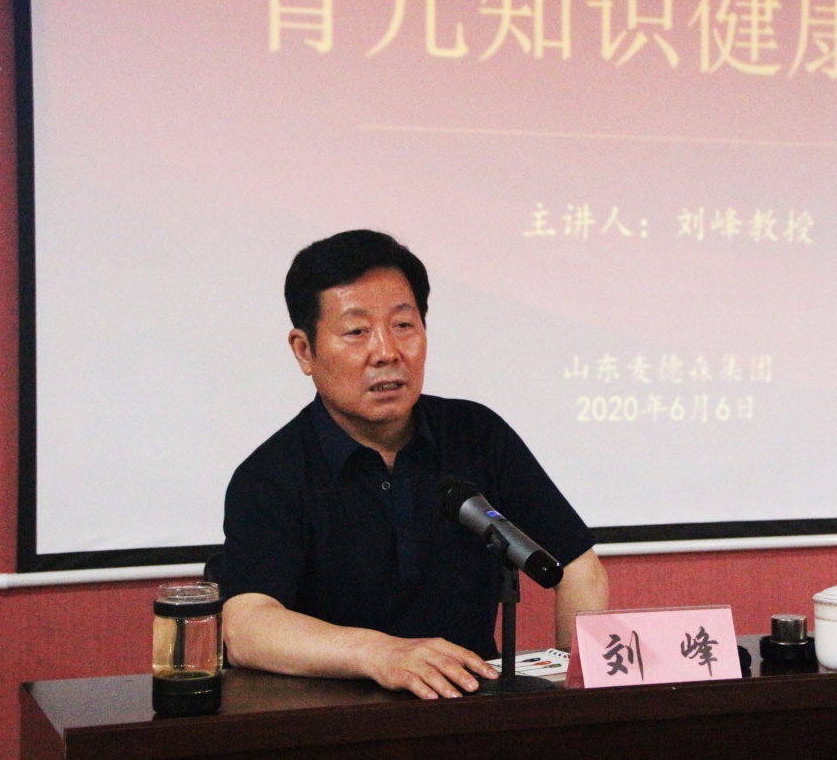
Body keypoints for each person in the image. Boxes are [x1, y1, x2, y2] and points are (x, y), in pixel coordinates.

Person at [220, 229, 609, 700]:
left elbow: (579, 568)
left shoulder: (476, 434)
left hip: (471, 713)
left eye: (403, 325)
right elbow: (247, 626)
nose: (387, 352)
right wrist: (381, 654)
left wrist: (577, 701)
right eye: (357, 331)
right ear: (305, 350)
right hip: (334, 722)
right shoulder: (271, 475)